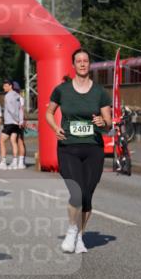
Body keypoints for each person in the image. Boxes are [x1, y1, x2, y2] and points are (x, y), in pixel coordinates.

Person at [46, 50, 113, 254]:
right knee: (77, 192)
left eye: (85, 61)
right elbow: (49, 112)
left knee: (87, 196)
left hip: (93, 148)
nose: (82, 64)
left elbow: (108, 123)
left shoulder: (100, 92)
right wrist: (55, 128)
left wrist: (103, 122)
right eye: (78, 61)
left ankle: (80, 237)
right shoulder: (62, 90)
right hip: (69, 148)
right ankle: (72, 230)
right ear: (73, 65)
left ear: (89, 65)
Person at [1, 80, 26, 169]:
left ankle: (3, 162)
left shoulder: (8, 96)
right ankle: (15, 162)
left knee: (1, 140)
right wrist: (20, 120)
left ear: (11, 86)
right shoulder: (19, 96)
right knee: (14, 141)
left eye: (5, 85)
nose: (3, 87)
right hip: (17, 122)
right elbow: (21, 110)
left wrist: (17, 120)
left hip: (10, 122)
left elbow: (11, 110)